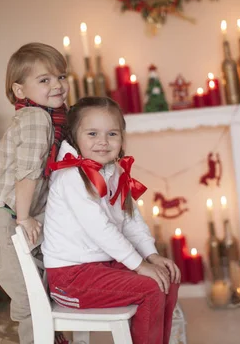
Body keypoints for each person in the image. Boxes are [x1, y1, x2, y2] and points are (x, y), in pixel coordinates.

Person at [42, 96, 180, 344]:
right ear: (75, 137)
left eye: (112, 134)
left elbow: (131, 220)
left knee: (165, 277)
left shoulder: (113, 171)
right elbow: (101, 230)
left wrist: (151, 256)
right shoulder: (71, 177)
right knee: (150, 287)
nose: (103, 142)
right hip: (71, 279)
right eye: (92, 134)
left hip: (100, 267)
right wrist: (139, 266)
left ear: (122, 138)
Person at [0, 42, 69, 344]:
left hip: (19, 216)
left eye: (60, 76)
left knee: (41, 295)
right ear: (20, 91)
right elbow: (28, 171)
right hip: (7, 220)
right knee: (30, 300)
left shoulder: (49, 118)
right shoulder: (36, 118)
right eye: (44, 80)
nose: (57, 85)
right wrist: (24, 218)